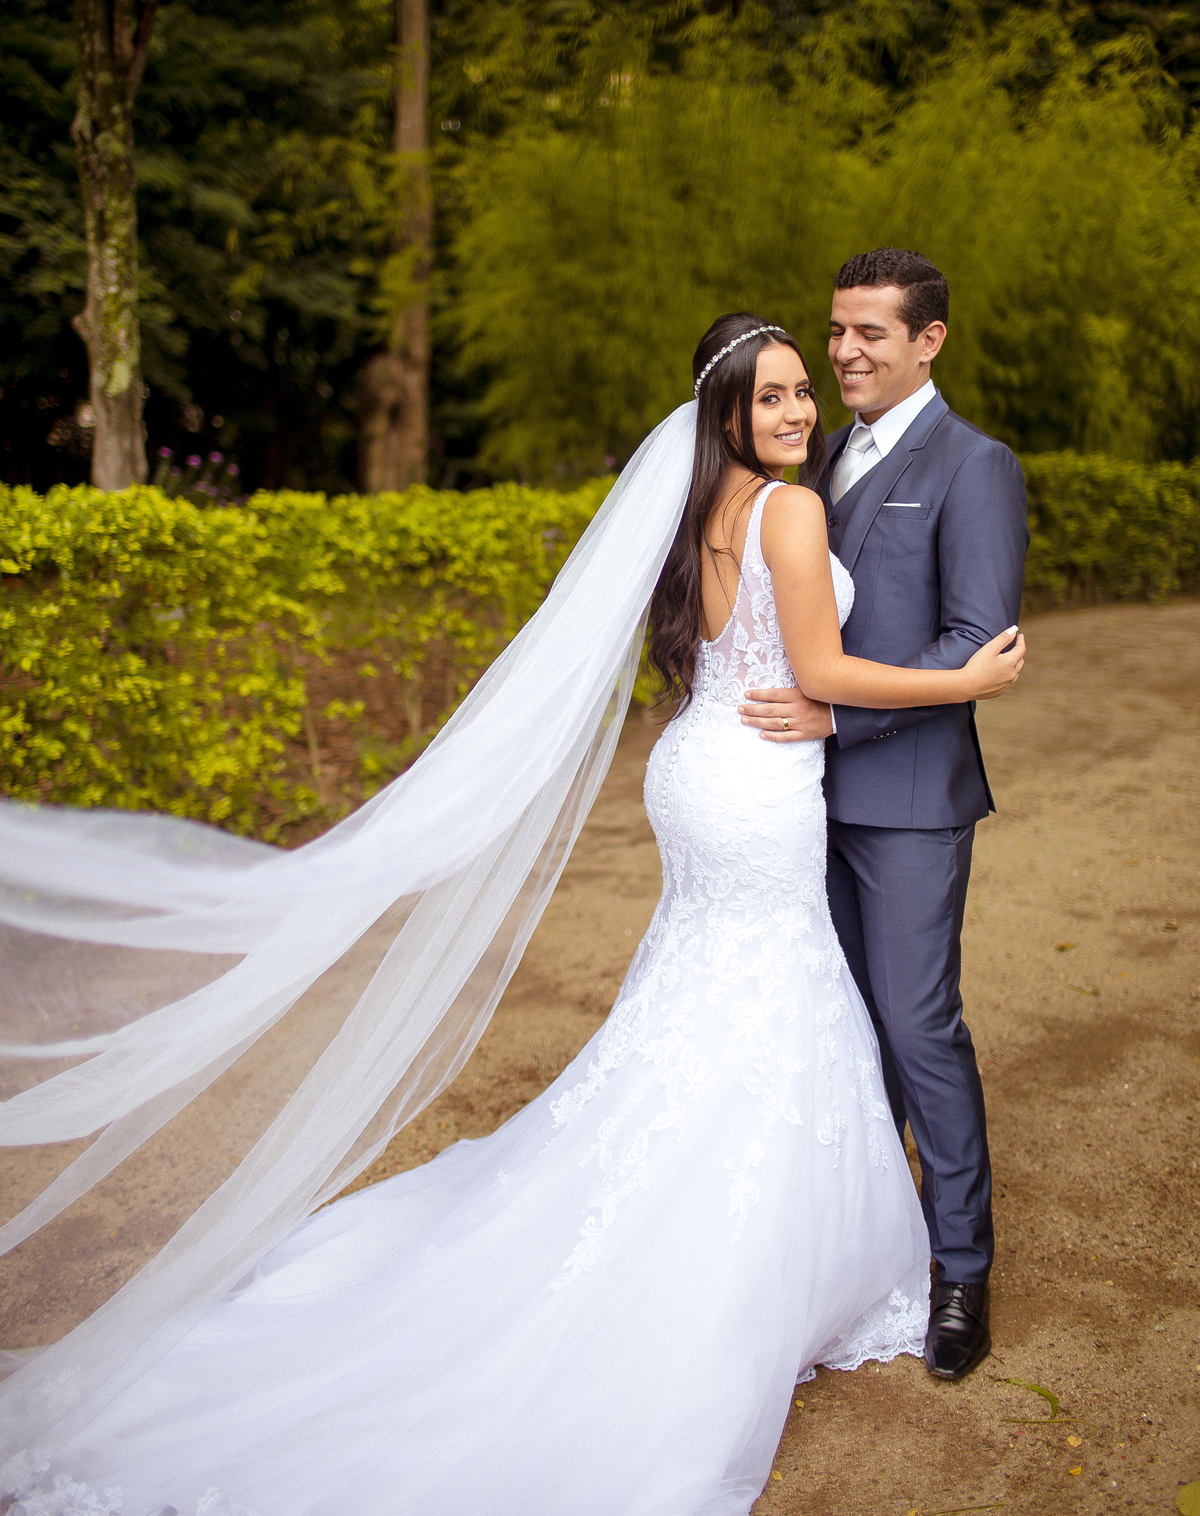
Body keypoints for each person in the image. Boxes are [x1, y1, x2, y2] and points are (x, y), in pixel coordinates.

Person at [0, 314, 1024, 1516]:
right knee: (771, 991)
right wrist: (967, 680)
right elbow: (824, 672)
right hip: (756, 785)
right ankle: (747, 1258)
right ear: (730, 414)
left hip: (704, 766)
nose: (800, 413)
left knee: (707, 993)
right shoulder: (790, 509)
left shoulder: (700, 507)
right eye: (777, 397)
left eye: (806, 394)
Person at [738, 251, 1030, 1382]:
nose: (845, 353)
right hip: (801, 805)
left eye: (869, 333)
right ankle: (867, 1244)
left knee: (917, 1026)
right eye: (836, 332)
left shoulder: (975, 466)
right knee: (840, 1027)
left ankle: (961, 1268)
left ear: (930, 340)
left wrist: (830, 718)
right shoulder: (810, 461)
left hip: (907, 800)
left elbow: (977, 642)